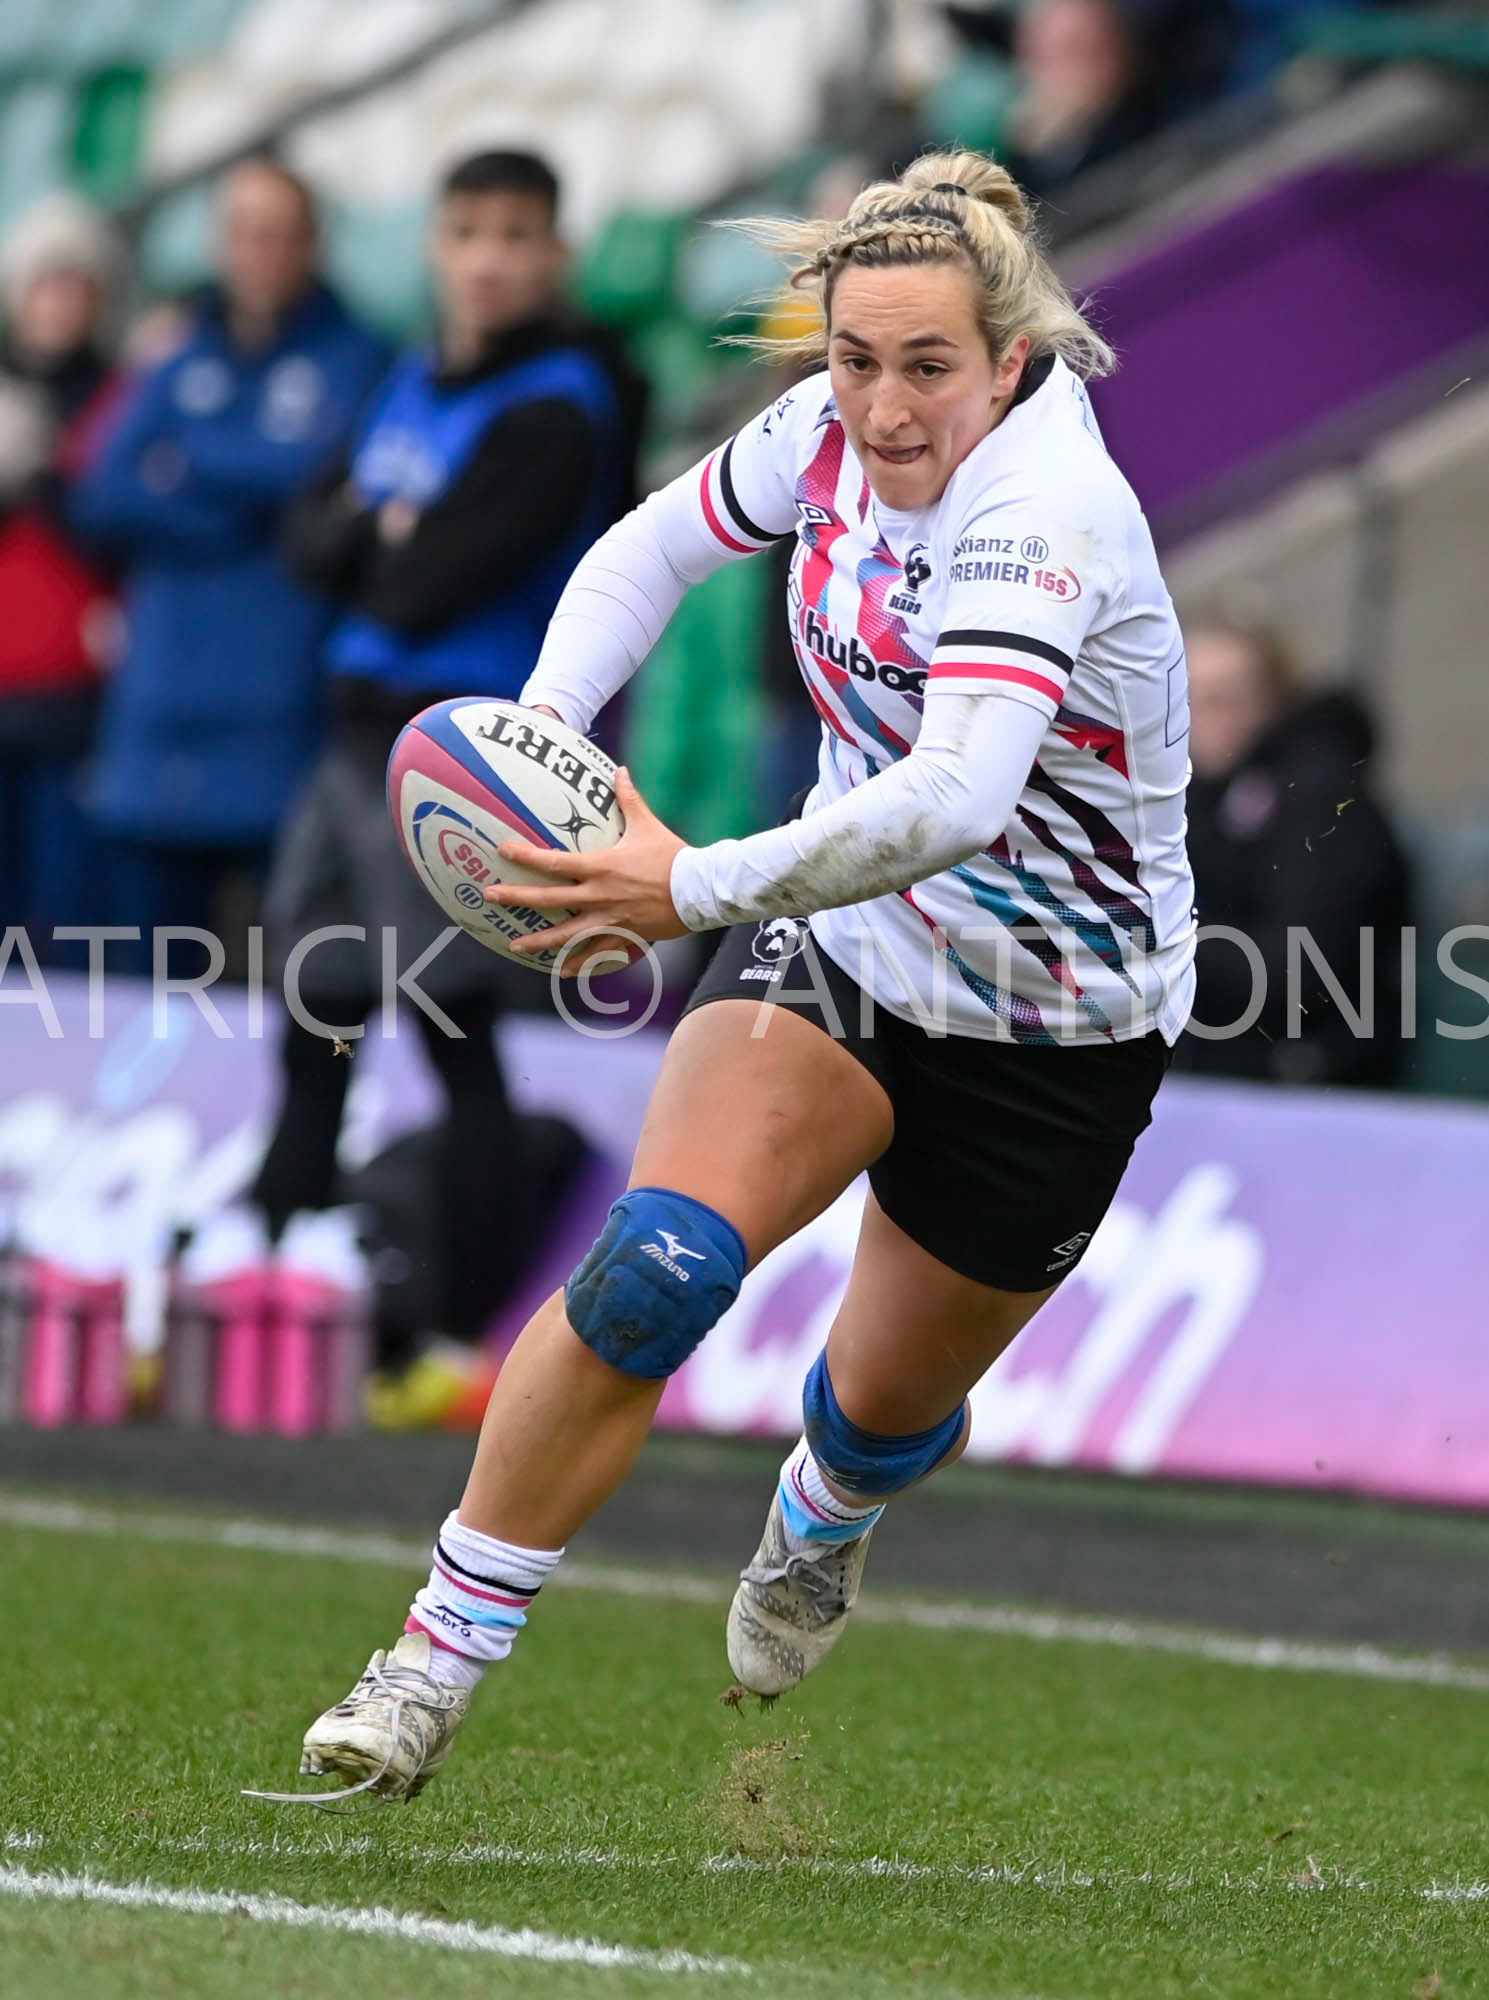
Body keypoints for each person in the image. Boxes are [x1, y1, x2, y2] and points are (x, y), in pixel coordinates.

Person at [258, 148, 1195, 1806]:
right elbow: (638, 556)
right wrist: (543, 734)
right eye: (850, 360)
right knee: (654, 1272)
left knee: (876, 1407)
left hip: (1056, 1030)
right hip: (837, 944)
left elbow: (953, 801)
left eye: (924, 368)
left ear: (1008, 358)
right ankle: (426, 1662)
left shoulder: (1047, 514)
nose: (883, 408)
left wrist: (678, 880)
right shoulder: (822, 433)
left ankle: (827, 1512)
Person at [249, 150, 644, 1418]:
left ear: (553, 254)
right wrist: (375, 535)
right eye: (466, 230)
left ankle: (458, 1334)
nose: (486, 258)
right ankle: (279, 1286)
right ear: (433, 242)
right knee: (314, 1016)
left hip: (461, 758)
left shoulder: (559, 403)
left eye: (514, 235)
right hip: (345, 738)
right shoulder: (411, 376)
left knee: (451, 1032)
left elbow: (420, 583)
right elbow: (306, 544)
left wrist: (372, 530)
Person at [69, 158, 388, 978]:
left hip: (283, 711)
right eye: (243, 232)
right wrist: (250, 494)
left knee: (295, 973)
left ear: (313, 242)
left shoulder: (358, 357)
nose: (260, 252)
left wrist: (189, 465)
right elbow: (102, 491)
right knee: (142, 980)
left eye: (278, 232)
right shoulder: (177, 357)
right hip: (161, 707)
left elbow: (324, 481)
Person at [1180, 618, 1411, 1088]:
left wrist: (1142, 949)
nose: (1203, 717)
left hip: (1312, 1081)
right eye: (1186, 698)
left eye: (1226, 698)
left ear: (1274, 701)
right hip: (1213, 1068)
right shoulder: (1189, 795)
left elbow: (1296, 972)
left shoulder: (1321, 795)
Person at [0, 193, 121, 964]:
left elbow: (122, 526)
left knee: (69, 913)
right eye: (46, 282)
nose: (60, 303)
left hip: (76, 693)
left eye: (77, 283)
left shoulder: (120, 397)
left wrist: (54, 474)